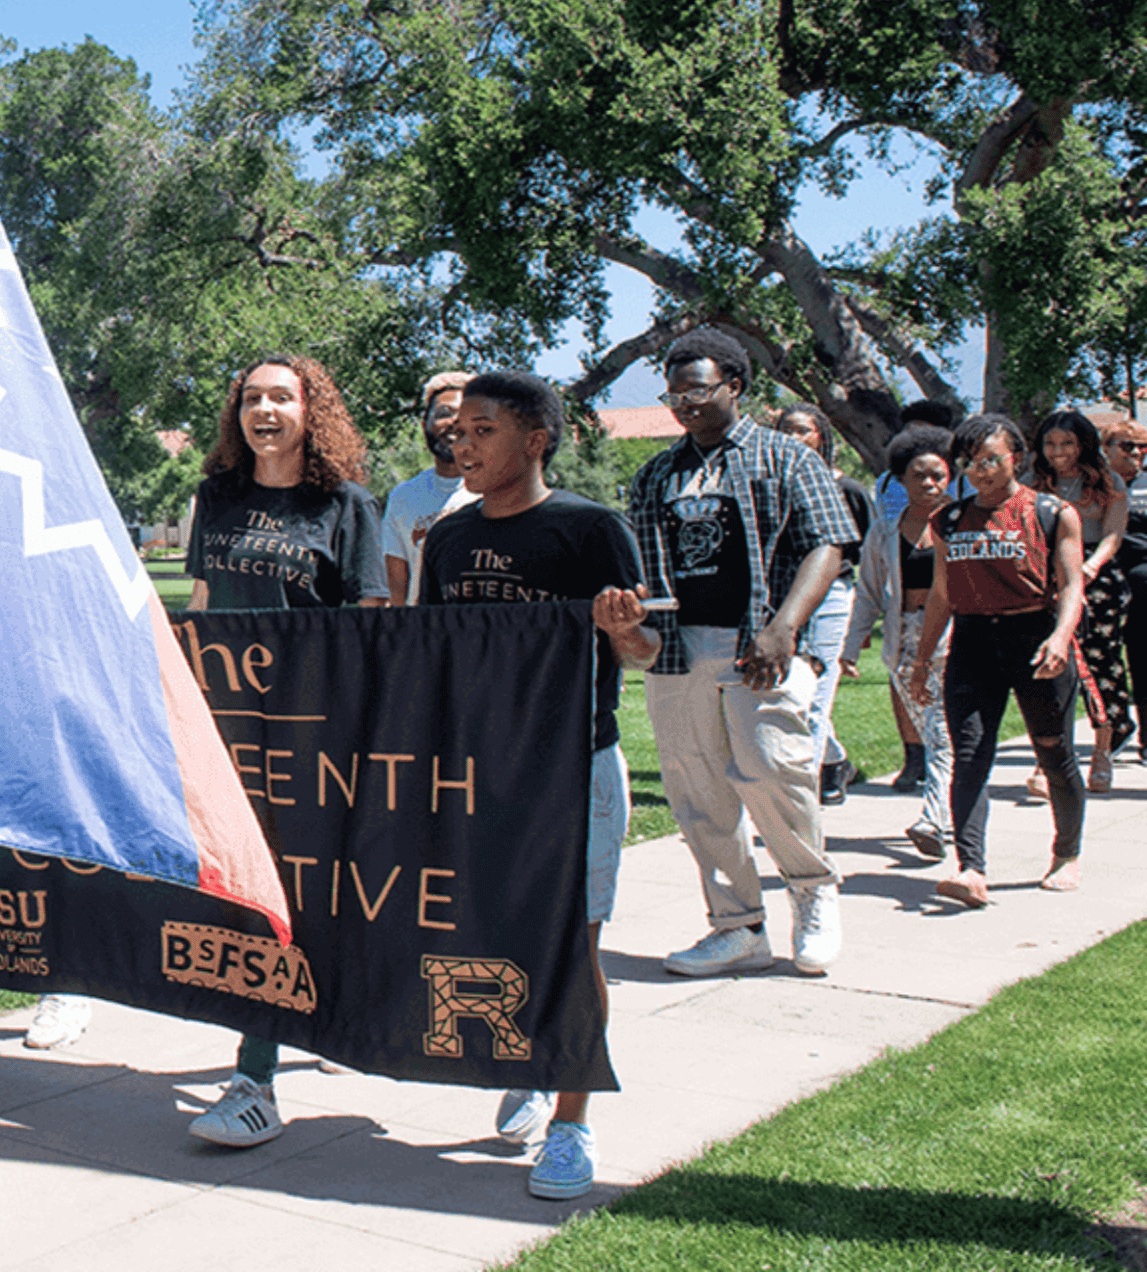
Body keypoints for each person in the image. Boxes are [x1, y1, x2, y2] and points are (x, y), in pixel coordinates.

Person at [419, 371, 660, 1201]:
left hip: (573, 766)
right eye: (458, 431)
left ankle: (571, 1121)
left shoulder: (591, 530)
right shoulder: (447, 541)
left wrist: (625, 632)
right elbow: (430, 655)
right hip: (482, 773)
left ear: (535, 439)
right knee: (495, 934)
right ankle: (524, 1059)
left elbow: (646, 652)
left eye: (483, 430)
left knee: (575, 945)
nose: (463, 444)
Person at [179, 353, 390, 1150]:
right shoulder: (217, 500)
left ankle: (275, 1057)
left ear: (313, 410)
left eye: (281, 397)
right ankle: (257, 1072)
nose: (264, 410)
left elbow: (368, 619)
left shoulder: (347, 506)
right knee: (246, 893)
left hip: (311, 729)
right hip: (226, 727)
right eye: (250, 398)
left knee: (310, 891)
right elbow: (201, 606)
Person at [623, 327, 855, 978]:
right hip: (678, 651)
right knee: (697, 792)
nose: (682, 401)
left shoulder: (787, 457)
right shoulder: (656, 474)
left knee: (772, 772)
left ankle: (812, 894)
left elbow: (829, 543)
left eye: (695, 387)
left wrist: (783, 628)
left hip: (762, 645)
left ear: (735, 385)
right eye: (673, 390)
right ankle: (736, 928)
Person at [905, 414, 1086, 906]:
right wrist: (923, 661)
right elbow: (942, 593)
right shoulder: (947, 519)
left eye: (991, 460)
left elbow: (1072, 585)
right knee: (968, 756)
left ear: (1017, 459)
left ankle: (1067, 854)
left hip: (1035, 638)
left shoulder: (1052, 513)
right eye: (970, 462)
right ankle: (970, 868)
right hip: (972, 643)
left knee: (1053, 750)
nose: (980, 471)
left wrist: (1060, 637)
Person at [844, 425, 957, 858]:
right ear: (900, 480)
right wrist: (851, 648)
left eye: (938, 475)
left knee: (942, 733)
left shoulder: (962, 523)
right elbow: (869, 593)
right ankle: (952, 817)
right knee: (935, 734)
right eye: (919, 476)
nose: (930, 483)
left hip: (953, 639)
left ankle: (934, 820)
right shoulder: (885, 532)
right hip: (904, 643)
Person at [1024, 409, 1130, 794]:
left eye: (1067, 443)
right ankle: (1046, 761)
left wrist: (1087, 568)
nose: (1058, 451)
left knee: (1100, 664)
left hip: (1095, 578)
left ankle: (1102, 751)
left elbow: (1114, 534)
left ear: (1083, 444)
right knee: (1048, 665)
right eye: (1050, 444)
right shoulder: (1032, 483)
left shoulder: (1107, 482)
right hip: (1044, 576)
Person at [772, 404, 873, 803]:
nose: (794, 438)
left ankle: (803, 798)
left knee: (813, 696)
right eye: (786, 431)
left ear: (822, 436)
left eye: (803, 431)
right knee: (787, 694)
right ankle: (835, 759)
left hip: (831, 594)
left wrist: (863, 623)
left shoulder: (848, 490)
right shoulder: (767, 485)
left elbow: (866, 552)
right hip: (782, 592)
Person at [383, 371, 477, 605]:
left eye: (466, 415)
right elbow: (395, 591)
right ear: (426, 423)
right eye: (444, 413)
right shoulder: (404, 497)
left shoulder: (500, 493)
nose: (454, 422)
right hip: (423, 635)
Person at [1106, 415, 1147, 770]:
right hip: (1103, 583)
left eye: (1141, 447)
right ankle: (1118, 726)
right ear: (1106, 450)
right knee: (1103, 660)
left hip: (1143, 584)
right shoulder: (1098, 485)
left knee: (1143, 660)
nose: (1135, 453)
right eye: (1126, 446)